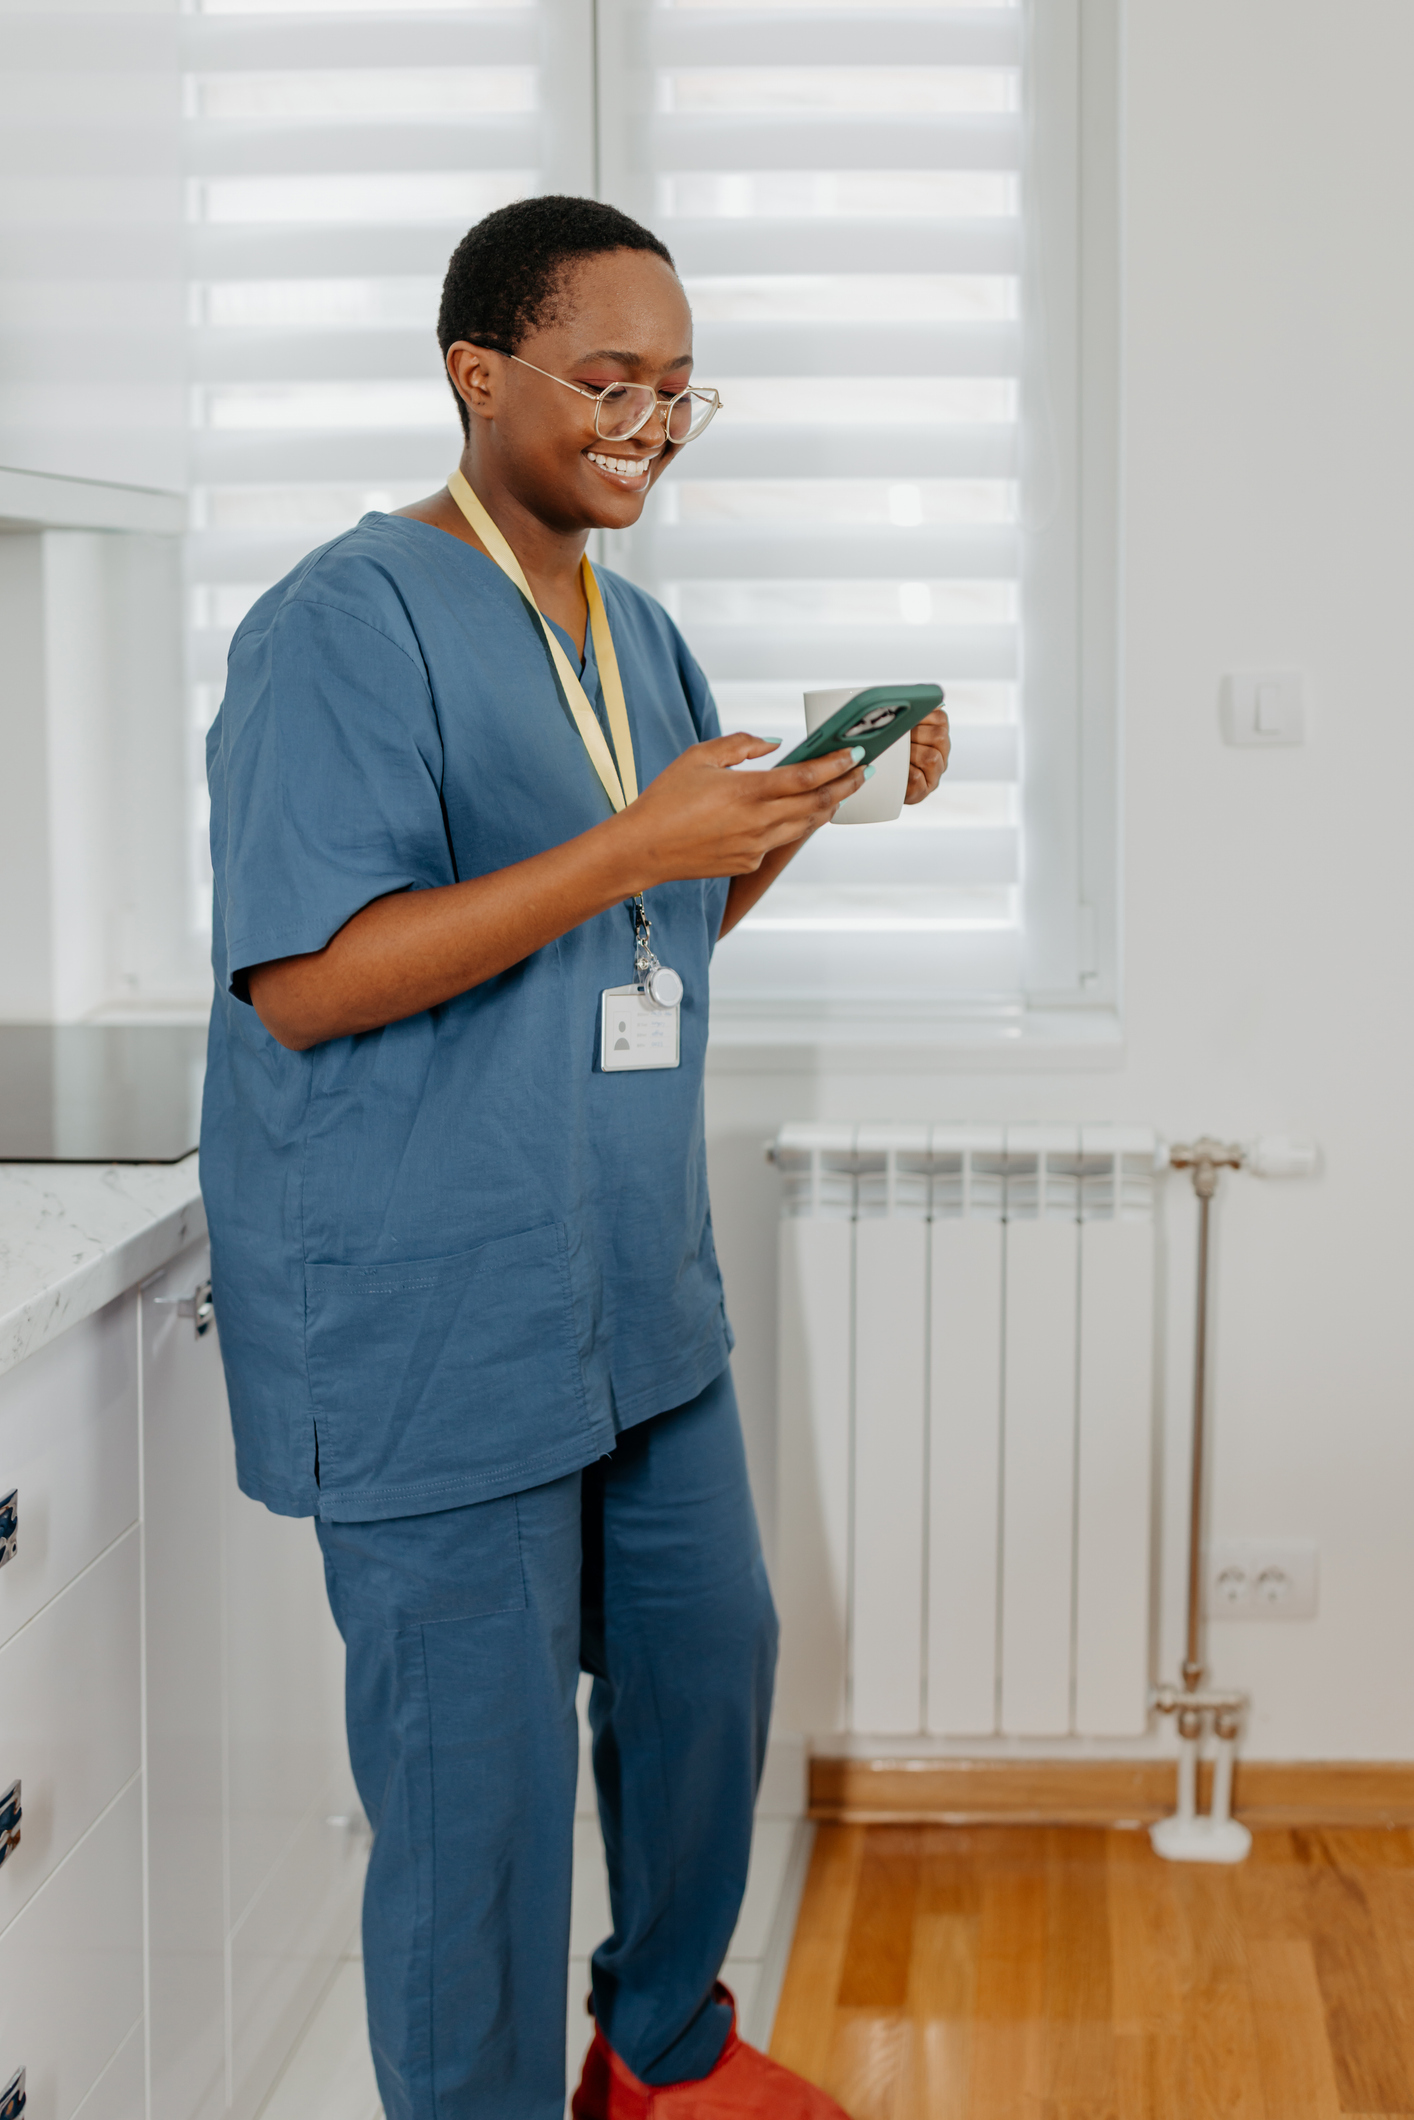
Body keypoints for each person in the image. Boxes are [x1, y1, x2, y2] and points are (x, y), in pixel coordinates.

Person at [200, 194, 950, 2120]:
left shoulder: (641, 628)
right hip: (437, 1304)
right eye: (608, 379)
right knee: (482, 1806)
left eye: (681, 388)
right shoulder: (338, 623)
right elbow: (305, 977)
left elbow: (643, 939)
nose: (650, 420)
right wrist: (634, 846)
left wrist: (779, 817)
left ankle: (663, 2054)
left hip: (626, 1287)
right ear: (479, 375)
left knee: (710, 1672)